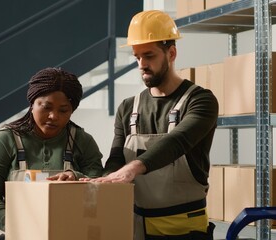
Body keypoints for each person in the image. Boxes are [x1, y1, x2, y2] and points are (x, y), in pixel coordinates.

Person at [86, 10, 219, 240]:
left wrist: (133, 168)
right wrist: (103, 181)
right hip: (137, 227)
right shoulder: (128, 108)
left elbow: (177, 141)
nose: (141, 64)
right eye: (137, 57)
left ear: (172, 53)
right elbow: (117, 159)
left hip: (185, 229)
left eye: (149, 55)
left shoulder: (201, 101)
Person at [0, 67, 104, 237]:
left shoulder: (83, 142)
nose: (53, 116)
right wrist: (20, 226)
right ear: (32, 103)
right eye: (46, 107)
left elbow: (99, 188)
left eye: (63, 110)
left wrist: (77, 177)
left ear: (72, 110)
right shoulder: (4, 140)